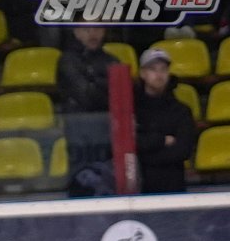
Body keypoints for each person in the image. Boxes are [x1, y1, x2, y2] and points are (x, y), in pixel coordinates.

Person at [57, 26, 121, 197]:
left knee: (108, 181)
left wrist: (93, 81)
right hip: (79, 136)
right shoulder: (67, 61)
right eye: (87, 29)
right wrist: (104, 84)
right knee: (81, 180)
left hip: (107, 134)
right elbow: (85, 96)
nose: (93, 34)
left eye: (98, 28)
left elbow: (121, 95)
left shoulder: (112, 60)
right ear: (76, 32)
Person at [133, 48, 197, 194]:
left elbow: (183, 150)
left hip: (173, 187)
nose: (159, 74)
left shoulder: (181, 111)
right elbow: (131, 144)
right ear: (143, 73)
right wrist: (162, 140)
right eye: (153, 69)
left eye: (163, 69)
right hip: (140, 189)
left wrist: (146, 154)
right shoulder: (132, 110)